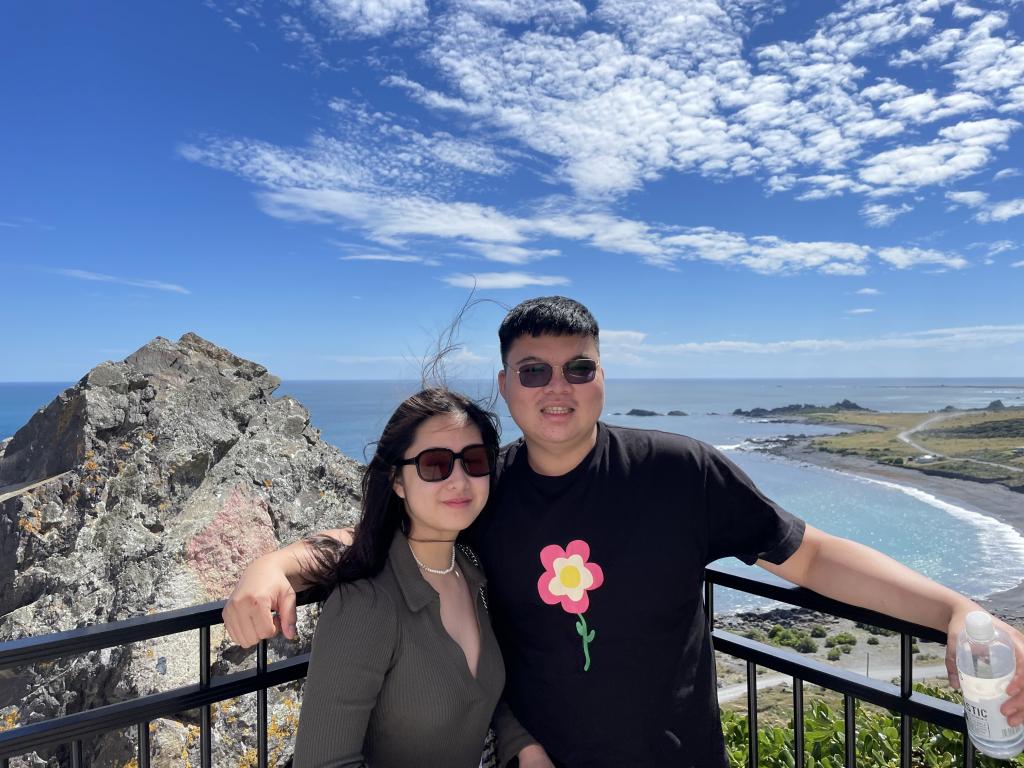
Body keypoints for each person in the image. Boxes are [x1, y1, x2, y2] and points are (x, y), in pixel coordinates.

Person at [225, 297, 1024, 768]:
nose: (558, 387)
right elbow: (387, 526)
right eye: (534, 372)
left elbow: (810, 554)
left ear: (603, 375)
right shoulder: (487, 487)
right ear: (507, 387)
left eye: (579, 367)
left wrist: (956, 611)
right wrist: (278, 563)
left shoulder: (679, 471)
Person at [270, 387, 543, 767]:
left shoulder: (470, 569)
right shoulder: (366, 603)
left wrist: (523, 745)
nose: (459, 481)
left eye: (475, 461)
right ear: (397, 480)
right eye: (435, 464)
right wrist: (270, 565)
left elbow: (480, 692)